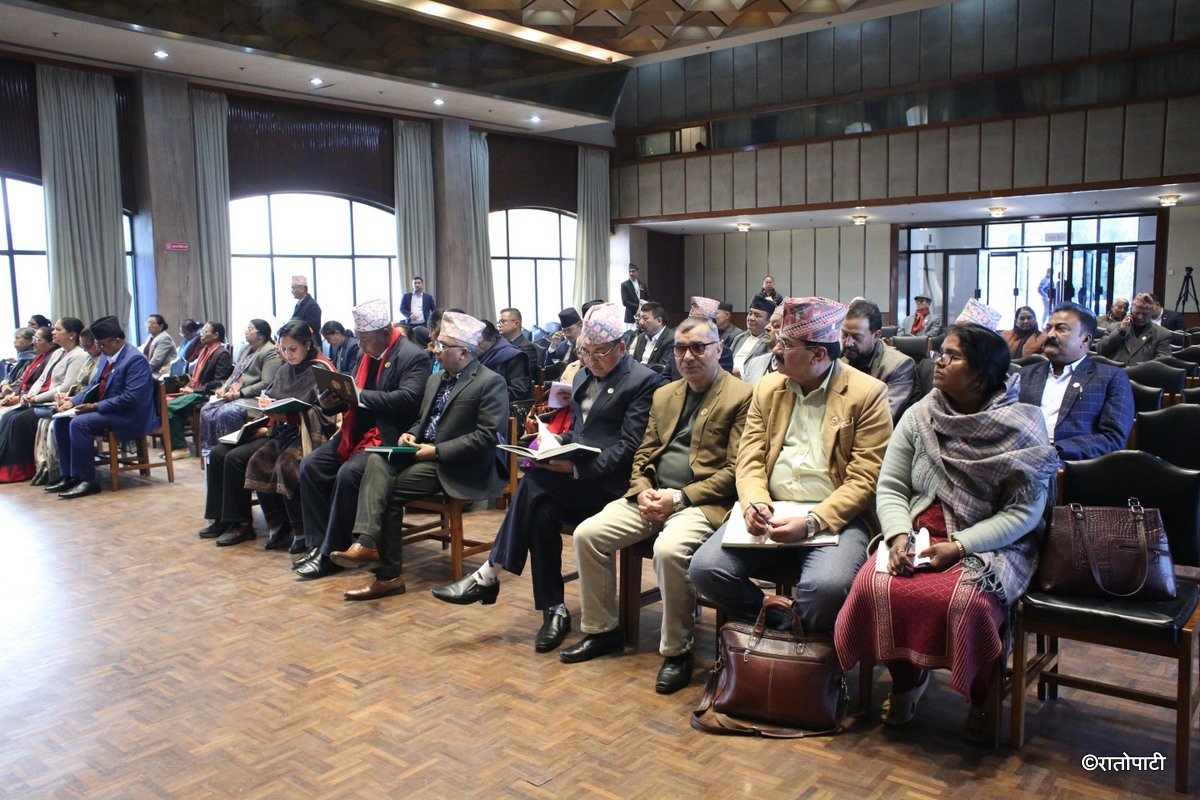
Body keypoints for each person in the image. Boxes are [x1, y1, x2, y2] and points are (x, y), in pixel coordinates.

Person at [835, 323, 1058, 741]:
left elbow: (1026, 514)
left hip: (990, 543)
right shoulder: (921, 415)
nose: (938, 360)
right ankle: (906, 680)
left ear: (981, 374)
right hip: (920, 533)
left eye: (952, 356)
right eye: (942, 353)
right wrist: (898, 535)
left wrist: (959, 547)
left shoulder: (1022, 426)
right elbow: (892, 485)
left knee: (967, 603)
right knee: (874, 586)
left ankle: (982, 692)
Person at [430, 303, 660, 647]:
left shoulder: (643, 381)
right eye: (585, 352)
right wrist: (550, 442)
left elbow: (628, 447)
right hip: (575, 482)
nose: (591, 361)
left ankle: (489, 574)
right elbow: (582, 432)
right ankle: (554, 609)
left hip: (614, 485)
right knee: (541, 512)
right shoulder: (582, 375)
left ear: (622, 348)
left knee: (535, 484)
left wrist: (577, 467)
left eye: (600, 353)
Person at [560, 317, 753, 691]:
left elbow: (736, 470)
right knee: (588, 534)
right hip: (652, 495)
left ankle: (676, 652)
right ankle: (603, 631)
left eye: (699, 347)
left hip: (701, 502)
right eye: (681, 349)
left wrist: (679, 497)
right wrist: (643, 486)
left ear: (718, 349)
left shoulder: (741, 396)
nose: (688, 356)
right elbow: (643, 451)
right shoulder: (666, 394)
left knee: (668, 550)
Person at [689, 297, 892, 634]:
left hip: (833, 518)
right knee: (706, 569)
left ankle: (794, 652)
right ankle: (782, 628)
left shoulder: (867, 394)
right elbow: (749, 457)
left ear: (819, 355)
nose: (775, 349)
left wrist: (812, 523)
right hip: (771, 510)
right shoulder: (769, 387)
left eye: (787, 343)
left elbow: (865, 480)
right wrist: (754, 502)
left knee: (825, 588)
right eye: (778, 339)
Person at [331, 311, 509, 601]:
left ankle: (386, 574)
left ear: (463, 353)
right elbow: (423, 420)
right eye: (434, 344)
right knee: (377, 456)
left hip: (457, 464)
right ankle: (366, 543)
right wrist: (411, 433)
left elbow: (487, 437)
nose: (433, 350)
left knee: (388, 493)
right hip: (422, 452)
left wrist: (437, 451)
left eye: (441, 346)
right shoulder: (436, 378)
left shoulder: (490, 382)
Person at [293, 298, 431, 577]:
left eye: (365, 339)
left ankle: (332, 552)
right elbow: (352, 394)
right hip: (357, 430)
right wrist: (332, 401)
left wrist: (358, 396)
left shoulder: (412, 355)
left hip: (391, 434)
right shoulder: (364, 354)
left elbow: (409, 399)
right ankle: (319, 544)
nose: (361, 344)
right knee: (312, 465)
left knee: (349, 474)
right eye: (358, 338)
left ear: (384, 333)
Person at [201, 320, 337, 548]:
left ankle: (299, 529)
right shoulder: (285, 369)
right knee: (249, 460)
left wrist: (285, 417)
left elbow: (327, 413)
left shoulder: (321, 369)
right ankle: (272, 523)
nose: (287, 354)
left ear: (307, 345)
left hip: (307, 434)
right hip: (280, 429)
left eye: (292, 349)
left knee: (281, 464)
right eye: (283, 349)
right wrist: (268, 405)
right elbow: (273, 396)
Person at [47, 316, 158, 499]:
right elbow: (94, 386)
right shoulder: (107, 357)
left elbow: (131, 398)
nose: (99, 348)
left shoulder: (135, 360)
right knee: (61, 422)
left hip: (130, 414)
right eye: (97, 344)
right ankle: (69, 475)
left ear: (118, 339)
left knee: (79, 424)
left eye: (103, 344)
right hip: (111, 410)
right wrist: (73, 402)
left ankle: (88, 480)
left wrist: (96, 406)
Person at [1018, 304, 1133, 461]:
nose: (1050, 335)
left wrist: (1055, 451)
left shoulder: (1111, 377)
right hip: (1018, 460)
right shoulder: (1024, 375)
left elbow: (1113, 438)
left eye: (1061, 329)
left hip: (1072, 466)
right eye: (1048, 328)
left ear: (1085, 340)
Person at [0, 319, 87, 483]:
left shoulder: (78, 355)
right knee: (8, 416)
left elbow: (66, 386)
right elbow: (41, 379)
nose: (53, 332)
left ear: (71, 335)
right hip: (39, 400)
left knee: (19, 420)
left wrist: (35, 398)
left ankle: (21, 469)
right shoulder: (58, 353)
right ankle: (4, 466)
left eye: (58, 329)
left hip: (56, 402)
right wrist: (28, 396)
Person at [196, 320, 280, 455]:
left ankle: (229, 452)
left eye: (250, 329)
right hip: (234, 393)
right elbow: (235, 374)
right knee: (206, 410)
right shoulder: (246, 349)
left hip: (254, 397)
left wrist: (239, 394)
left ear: (261, 335)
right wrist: (224, 388)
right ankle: (210, 453)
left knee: (226, 413)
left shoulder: (270, 351)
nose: (246, 331)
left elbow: (266, 383)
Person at [33, 328, 100, 486]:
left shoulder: (105, 359)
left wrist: (88, 404)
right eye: (84, 347)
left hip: (105, 407)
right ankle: (67, 475)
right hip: (86, 401)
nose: (86, 350)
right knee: (60, 421)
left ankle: (85, 478)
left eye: (89, 346)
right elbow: (82, 387)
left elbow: (101, 390)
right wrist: (71, 399)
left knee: (76, 422)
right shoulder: (91, 358)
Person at [164, 321, 233, 457]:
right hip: (196, 390)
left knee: (170, 408)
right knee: (164, 402)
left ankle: (181, 448)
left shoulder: (222, 353)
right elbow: (196, 376)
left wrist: (195, 390)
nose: (201, 335)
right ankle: (174, 445)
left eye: (205, 332)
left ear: (216, 335)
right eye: (202, 331)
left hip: (206, 394)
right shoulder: (204, 351)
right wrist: (188, 387)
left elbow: (220, 382)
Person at [840, 299, 915, 421]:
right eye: (844, 335)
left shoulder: (899, 366)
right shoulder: (838, 358)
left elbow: (884, 418)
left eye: (856, 337)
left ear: (876, 335)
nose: (847, 343)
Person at [1094, 292, 1173, 365]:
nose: (1140, 317)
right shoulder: (1115, 327)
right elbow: (1100, 350)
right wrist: (1121, 332)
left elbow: (1162, 364)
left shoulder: (1162, 334)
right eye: (1137, 313)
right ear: (1131, 311)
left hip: (1142, 377)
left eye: (1145, 314)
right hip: (1116, 375)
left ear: (1152, 313)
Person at [477, 320, 532, 404]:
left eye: (478, 343)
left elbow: (519, 390)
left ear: (492, 338)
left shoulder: (513, 356)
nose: (473, 346)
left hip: (501, 407)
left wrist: (485, 398)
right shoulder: (475, 354)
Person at [729, 296, 775, 377]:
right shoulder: (739, 337)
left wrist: (740, 372)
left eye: (757, 315)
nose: (751, 318)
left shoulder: (769, 341)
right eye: (750, 313)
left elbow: (763, 369)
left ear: (769, 320)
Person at [741, 307, 782, 386]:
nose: (767, 327)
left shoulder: (795, 369)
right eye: (769, 323)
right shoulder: (754, 363)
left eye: (776, 325)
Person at [630, 301, 674, 374]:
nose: (641, 322)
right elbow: (634, 361)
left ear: (659, 321)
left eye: (645, 318)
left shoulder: (671, 339)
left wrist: (637, 368)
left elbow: (661, 368)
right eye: (640, 318)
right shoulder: (641, 337)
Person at [497, 307, 538, 373]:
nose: (499, 325)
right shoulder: (500, 344)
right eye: (499, 322)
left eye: (503, 321)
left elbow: (523, 373)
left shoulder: (527, 347)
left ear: (516, 324)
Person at [1, 327, 39, 397]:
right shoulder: (21, 359)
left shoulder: (35, 359)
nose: (14, 341)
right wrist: (4, 385)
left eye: (18, 338)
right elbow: (8, 376)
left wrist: (7, 389)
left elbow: (23, 380)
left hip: (20, 395)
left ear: (30, 340)